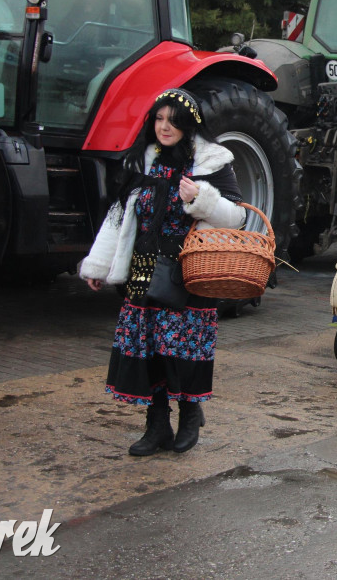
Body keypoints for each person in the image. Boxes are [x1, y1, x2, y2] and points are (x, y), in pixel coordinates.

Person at [79, 89, 246, 455]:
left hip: (188, 272)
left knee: (181, 351)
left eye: (172, 120)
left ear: (189, 124)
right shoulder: (142, 161)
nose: (164, 127)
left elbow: (237, 217)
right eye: (158, 119)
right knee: (149, 348)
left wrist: (199, 199)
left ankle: (189, 414)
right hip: (143, 266)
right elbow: (119, 216)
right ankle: (157, 427)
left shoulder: (212, 162)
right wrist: (99, 264)